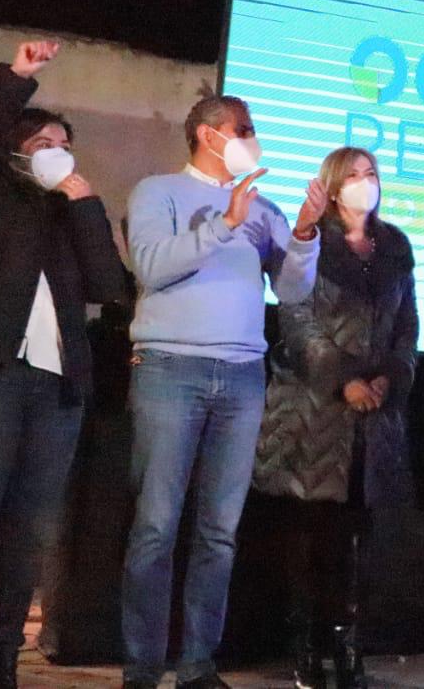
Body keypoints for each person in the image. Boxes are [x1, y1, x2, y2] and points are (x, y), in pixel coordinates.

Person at [120, 96, 326, 689]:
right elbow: (151, 267)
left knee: (219, 532)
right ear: (209, 135)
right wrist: (225, 224)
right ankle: (142, 667)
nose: (253, 139)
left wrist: (304, 233)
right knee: (156, 525)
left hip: (241, 376)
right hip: (170, 368)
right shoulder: (158, 191)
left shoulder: (264, 208)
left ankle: (197, 666)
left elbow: (292, 291)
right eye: (244, 129)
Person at [0, 41, 126, 689]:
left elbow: (108, 285)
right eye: (43, 144)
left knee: (31, 528)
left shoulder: (71, 212)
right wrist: (17, 77)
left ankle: (4, 656)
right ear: (16, 153)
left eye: (65, 145)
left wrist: (85, 202)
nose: (57, 153)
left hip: (59, 386)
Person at [252, 147, 418, 689]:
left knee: (358, 539)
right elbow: (297, 319)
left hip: (373, 418)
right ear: (331, 185)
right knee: (311, 534)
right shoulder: (309, 241)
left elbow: (407, 325)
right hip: (314, 410)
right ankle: (306, 646)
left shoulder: (394, 245)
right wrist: (342, 379)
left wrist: (390, 376)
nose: (364, 183)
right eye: (352, 176)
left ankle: (348, 646)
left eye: (370, 174)